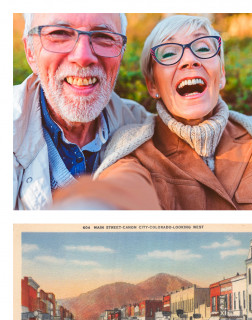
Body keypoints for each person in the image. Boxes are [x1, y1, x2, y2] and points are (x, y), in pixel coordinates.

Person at [53, 14, 252, 210]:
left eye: (203, 49)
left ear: (221, 74)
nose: (189, 60)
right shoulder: (133, 150)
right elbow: (123, 188)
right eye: (169, 53)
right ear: (153, 85)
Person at [13, 13, 154, 210]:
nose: (83, 57)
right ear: (30, 51)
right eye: (59, 33)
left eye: (103, 36)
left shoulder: (142, 127)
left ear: (121, 53)